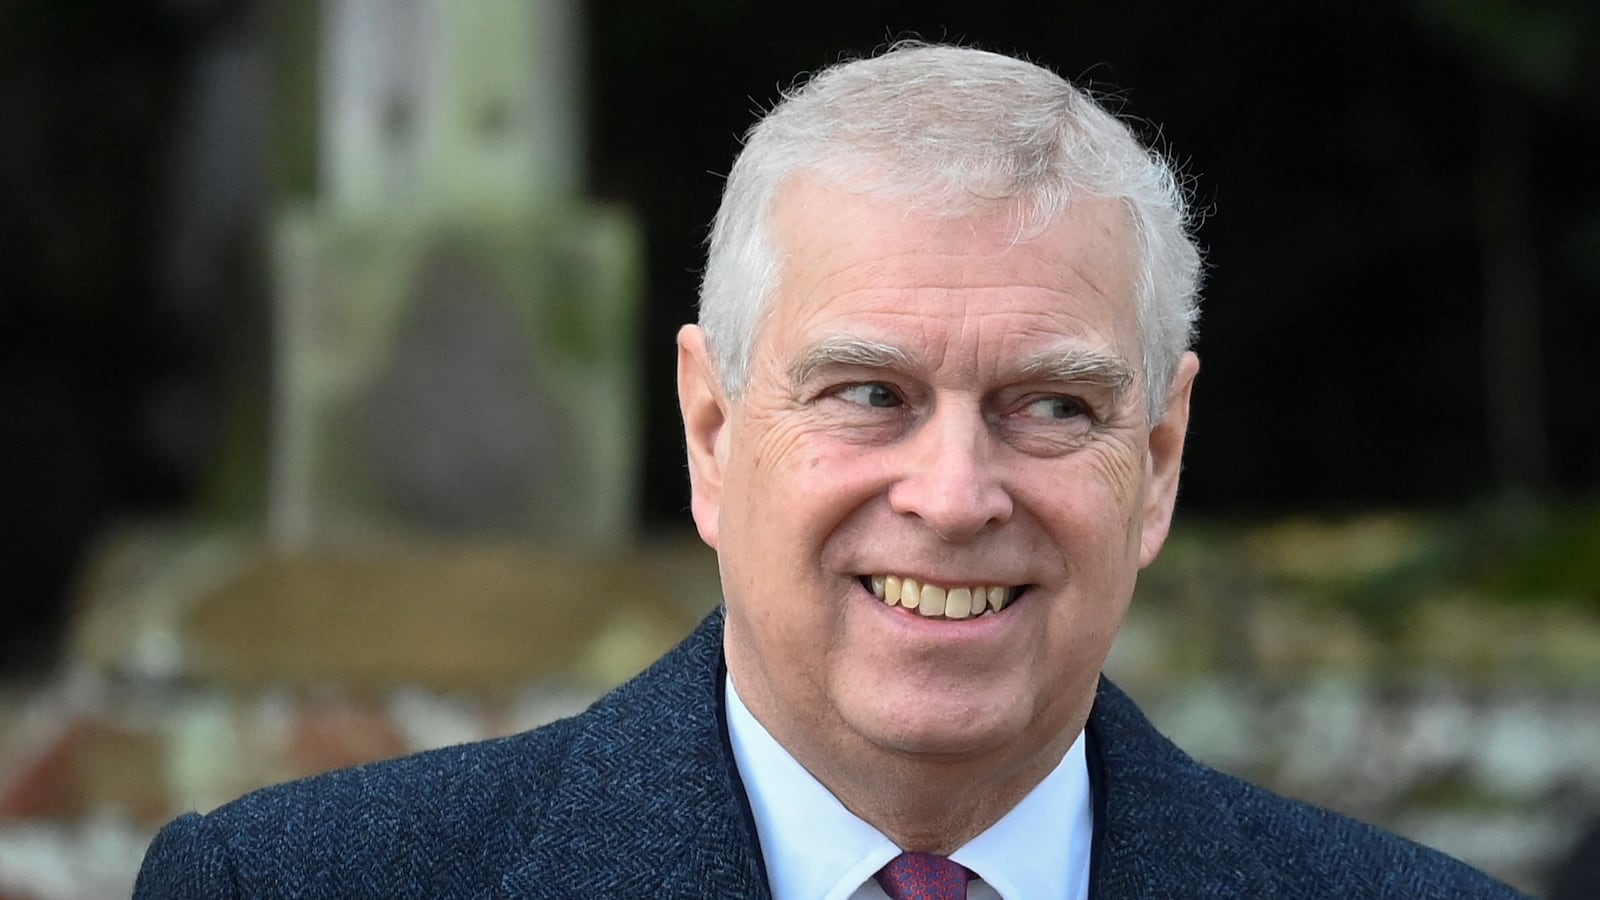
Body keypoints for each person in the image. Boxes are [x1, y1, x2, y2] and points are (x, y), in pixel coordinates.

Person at [134, 42, 1527, 899]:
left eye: (1050, 406)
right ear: (712, 432)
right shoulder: (299, 889)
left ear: (1156, 463)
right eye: (871, 394)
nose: (953, 493)